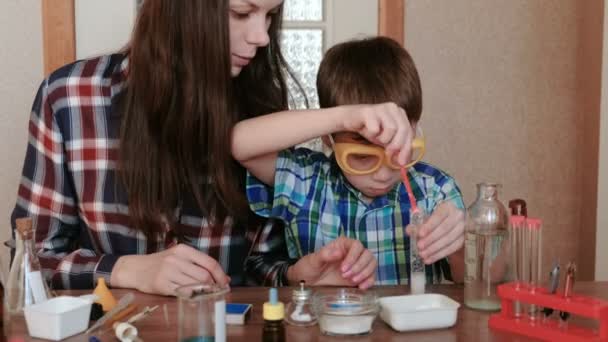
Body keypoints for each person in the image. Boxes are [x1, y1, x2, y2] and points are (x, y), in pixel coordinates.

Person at [10, 0, 377, 295]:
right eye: (241, 12)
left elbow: (262, 267)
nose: (262, 36)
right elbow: (30, 262)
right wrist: (125, 269)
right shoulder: (69, 98)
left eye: (270, 15)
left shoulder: (260, 116)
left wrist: (301, 276)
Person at [232, 37, 466, 286]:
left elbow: (480, 278)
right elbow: (239, 143)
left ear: (414, 129)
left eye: (400, 152)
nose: (384, 174)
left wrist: (462, 245)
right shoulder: (306, 181)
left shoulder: (436, 191)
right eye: (363, 157)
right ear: (329, 138)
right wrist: (344, 117)